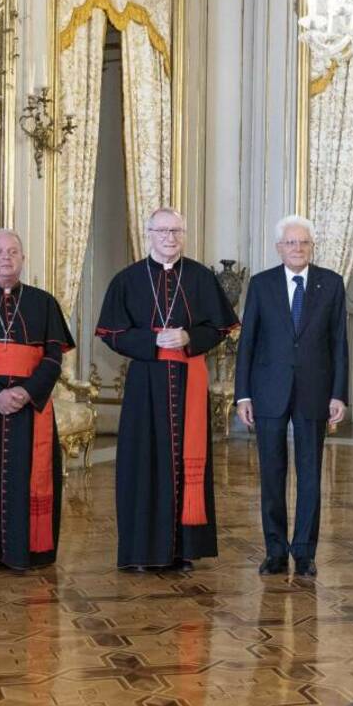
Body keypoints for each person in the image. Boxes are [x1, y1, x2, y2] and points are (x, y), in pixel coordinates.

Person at [95, 207, 238, 572]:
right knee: (143, 463)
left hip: (190, 381)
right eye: (162, 231)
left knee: (185, 462)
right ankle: (142, 551)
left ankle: (183, 549)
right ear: (149, 233)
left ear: (184, 234)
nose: (169, 238)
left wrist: (190, 335)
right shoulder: (127, 279)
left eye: (176, 231)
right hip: (146, 383)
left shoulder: (201, 278)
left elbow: (221, 327)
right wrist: (153, 341)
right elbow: (111, 333)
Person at [0, 229, 75, 571]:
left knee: (28, 477)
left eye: (13, 251)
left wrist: (27, 392)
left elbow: (53, 356)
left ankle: (28, 550)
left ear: (23, 258)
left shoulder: (44, 302)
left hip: (29, 407)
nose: (6, 257)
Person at [235, 215, 348, 578]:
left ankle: (304, 552)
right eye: (290, 243)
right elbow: (247, 343)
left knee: (311, 475)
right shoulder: (261, 284)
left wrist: (339, 395)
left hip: (315, 392)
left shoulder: (331, 283)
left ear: (312, 247)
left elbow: (339, 345)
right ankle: (275, 551)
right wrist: (243, 396)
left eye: (303, 243)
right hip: (268, 392)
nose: (297, 248)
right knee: (272, 474)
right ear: (278, 247)